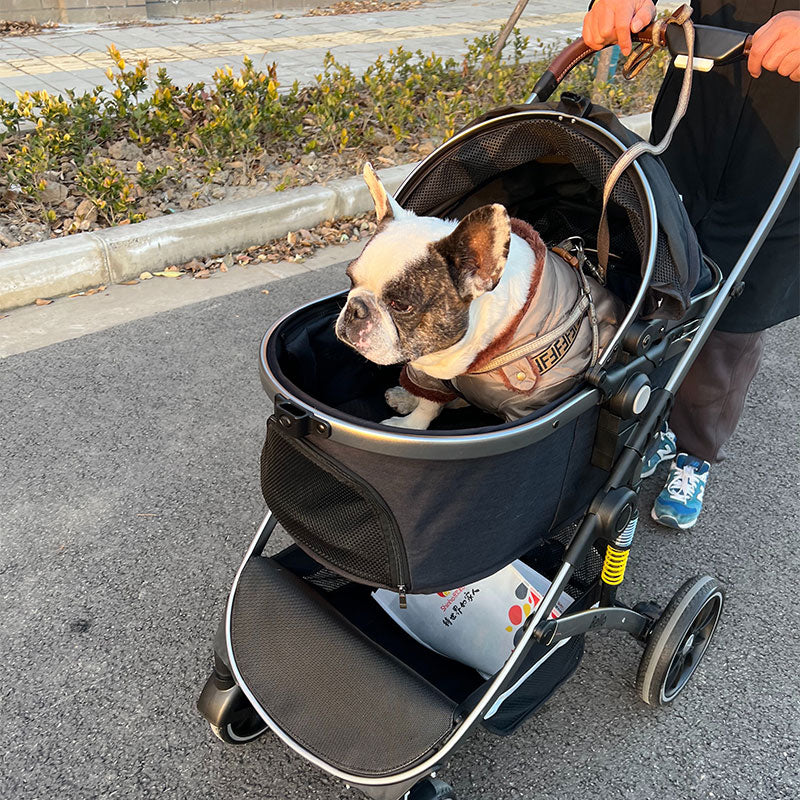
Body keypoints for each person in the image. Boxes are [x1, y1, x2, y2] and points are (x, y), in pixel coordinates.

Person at [582, 0, 800, 529]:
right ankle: (643, 424)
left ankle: (695, 453)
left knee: (728, 328)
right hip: (695, 114)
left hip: (783, 159)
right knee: (648, 289)